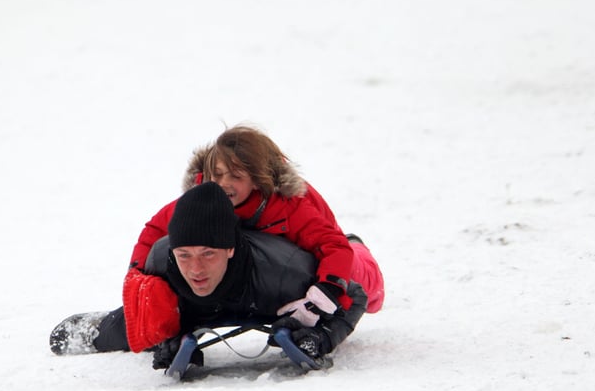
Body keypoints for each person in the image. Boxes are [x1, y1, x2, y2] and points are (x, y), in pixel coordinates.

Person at [50, 182, 367, 368]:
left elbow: (355, 294)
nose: (195, 269)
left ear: (229, 249)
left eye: (208, 255)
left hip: (322, 258)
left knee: (362, 272)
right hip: (213, 289)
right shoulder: (164, 264)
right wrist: (158, 334)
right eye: (184, 255)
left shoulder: (288, 273)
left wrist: (322, 337)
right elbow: (128, 319)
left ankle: (358, 245)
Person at [129, 124, 384, 316]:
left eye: (235, 176)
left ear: (256, 178)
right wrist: (136, 276)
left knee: (361, 281)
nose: (223, 184)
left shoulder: (287, 206)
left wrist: (327, 289)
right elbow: (155, 230)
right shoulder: (202, 201)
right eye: (216, 175)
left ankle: (359, 248)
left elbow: (333, 246)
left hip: (321, 247)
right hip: (263, 258)